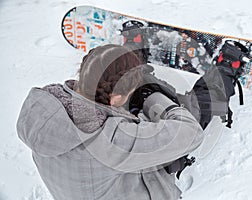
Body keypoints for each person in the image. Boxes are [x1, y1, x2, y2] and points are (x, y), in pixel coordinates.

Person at [17, 44, 204, 200]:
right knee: (188, 111)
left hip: (85, 187)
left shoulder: (42, 111)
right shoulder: (110, 142)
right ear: (115, 97)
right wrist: (151, 97)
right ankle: (225, 71)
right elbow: (191, 132)